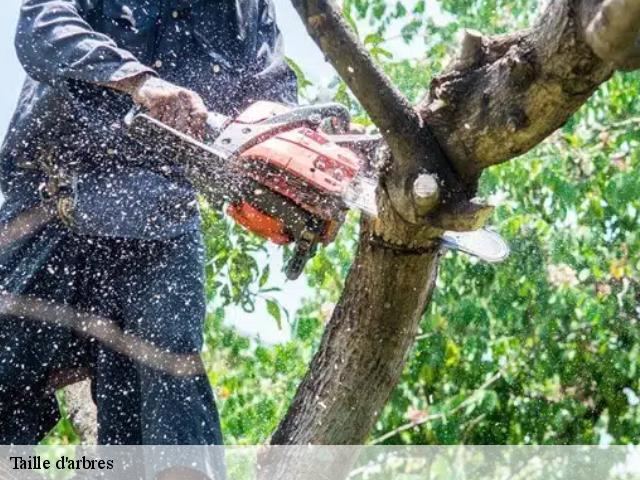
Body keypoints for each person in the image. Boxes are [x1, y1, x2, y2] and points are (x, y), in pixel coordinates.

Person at [0, 0, 297, 449]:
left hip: (160, 224)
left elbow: (273, 104)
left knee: (168, 402)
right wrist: (140, 81)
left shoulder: (246, 11)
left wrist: (299, 161)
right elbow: (40, 27)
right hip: (53, 202)